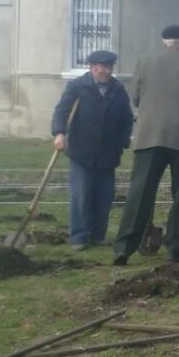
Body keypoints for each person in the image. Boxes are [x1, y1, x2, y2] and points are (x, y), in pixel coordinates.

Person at [112, 25, 179, 265]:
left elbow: (135, 98)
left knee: (140, 192)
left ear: (163, 41)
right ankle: (175, 249)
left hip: (150, 135)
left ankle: (124, 249)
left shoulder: (144, 62)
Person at [51, 50, 134, 251]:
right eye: (102, 67)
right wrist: (59, 133)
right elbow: (62, 110)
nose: (106, 71)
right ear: (92, 67)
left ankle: (98, 235)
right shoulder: (78, 86)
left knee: (104, 197)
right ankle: (79, 237)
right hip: (82, 150)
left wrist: (123, 142)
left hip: (108, 153)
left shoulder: (118, 89)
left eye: (110, 67)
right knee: (82, 195)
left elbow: (126, 118)